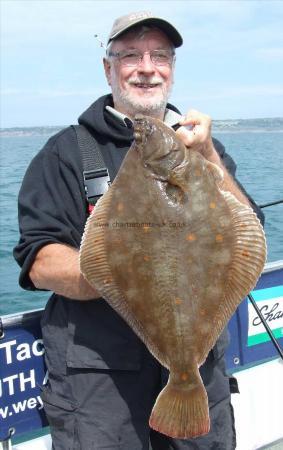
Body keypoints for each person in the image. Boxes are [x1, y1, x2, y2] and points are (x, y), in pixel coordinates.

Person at [14, 11, 264, 450]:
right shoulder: (63, 153)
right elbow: (38, 260)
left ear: (170, 68)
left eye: (159, 56)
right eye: (130, 55)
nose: (146, 67)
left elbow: (250, 236)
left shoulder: (206, 149)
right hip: (99, 386)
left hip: (198, 372)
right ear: (108, 68)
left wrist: (206, 153)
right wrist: (118, 279)